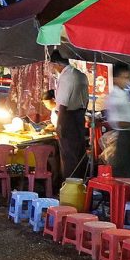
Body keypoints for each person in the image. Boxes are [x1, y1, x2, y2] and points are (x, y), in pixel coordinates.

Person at [52, 50, 90, 178]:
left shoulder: (67, 76)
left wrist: (59, 125)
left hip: (68, 118)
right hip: (79, 116)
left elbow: (63, 104)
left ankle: (69, 185)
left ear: (57, 63)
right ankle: (81, 183)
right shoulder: (80, 75)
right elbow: (87, 99)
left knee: (68, 155)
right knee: (79, 152)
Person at [103, 62, 130, 178]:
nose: (128, 81)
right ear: (115, 79)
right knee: (124, 173)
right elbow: (118, 122)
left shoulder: (124, 93)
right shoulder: (114, 96)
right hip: (124, 138)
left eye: (128, 77)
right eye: (124, 78)